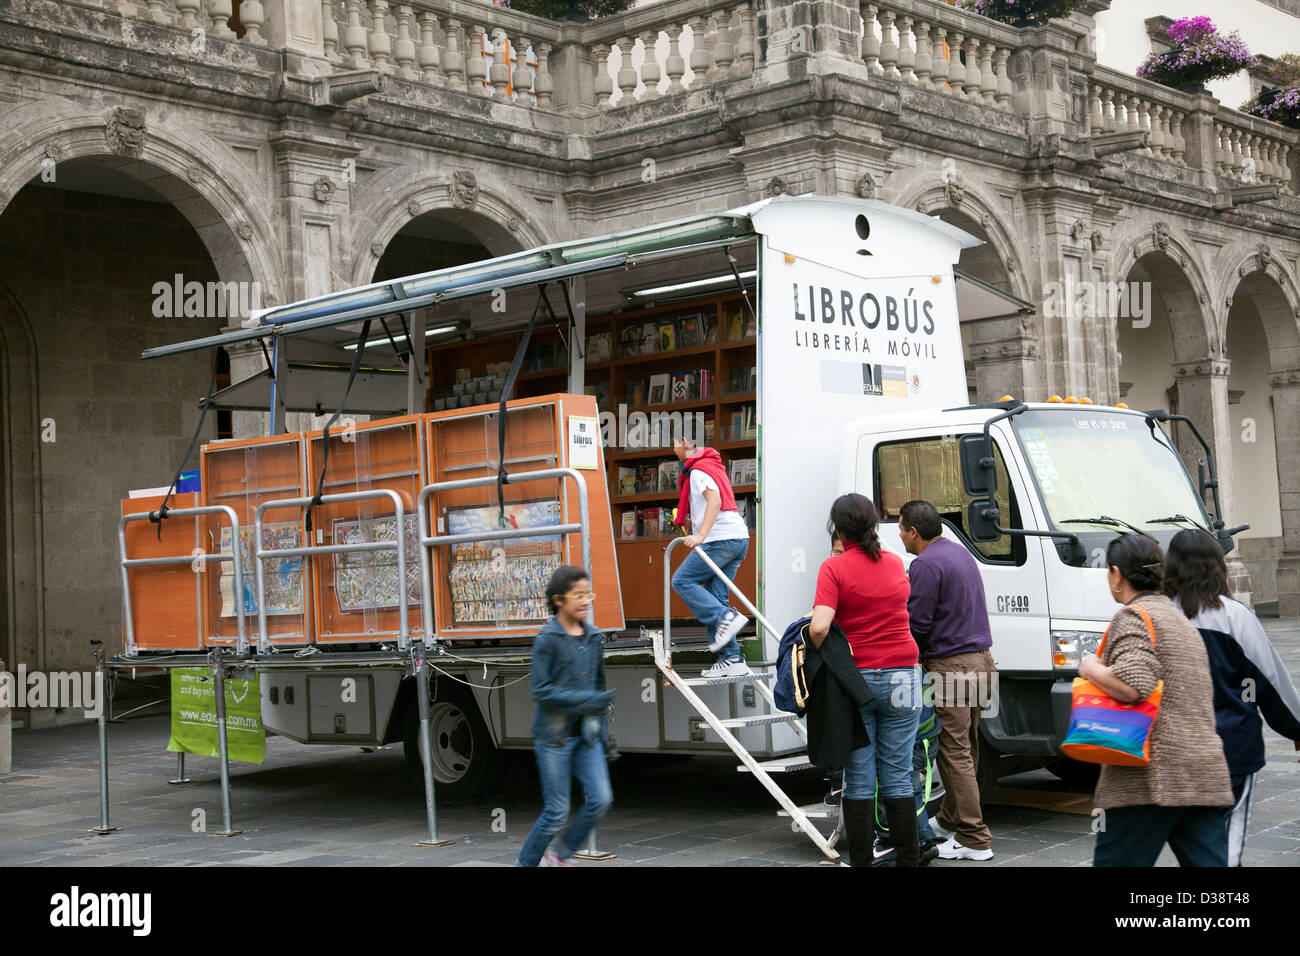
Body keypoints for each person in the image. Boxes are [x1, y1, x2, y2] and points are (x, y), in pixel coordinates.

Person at [1079, 533, 1234, 867]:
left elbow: (1134, 683)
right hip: (1203, 775)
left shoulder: (1134, 616)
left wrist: (1090, 667)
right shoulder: (1181, 620)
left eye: (1108, 572)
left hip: (1149, 779)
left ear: (1117, 574)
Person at [1163, 529, 1300, 867]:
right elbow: (1270, 682)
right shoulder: (1235, 617)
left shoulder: (1159, 616)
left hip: (1174, 754)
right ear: (1216, 567)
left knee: (1197, 847)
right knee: (1226, 848)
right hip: (1231, 751)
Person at [808, 493, 922, 866]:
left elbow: (821, 627)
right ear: (874, 524)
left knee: (859, 779)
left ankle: (861, 862)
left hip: (856, 684)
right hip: (904, 676)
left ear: (838, 528)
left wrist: (813, 640)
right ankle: (908, 859)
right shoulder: (895, 563)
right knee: (899, 775)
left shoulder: (834, 568)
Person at [898, 499, 997, 862]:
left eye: (902, 531)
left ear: (913, 530)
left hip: (952, 666)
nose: (901, 539)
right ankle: (950, 818)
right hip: (983, 661)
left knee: (954, 754)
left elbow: (918, 624)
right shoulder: (960, 554)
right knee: (967, 748)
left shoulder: (924, 564)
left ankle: (974, 838)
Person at [515, 566, 615, 867]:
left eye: (589, 594)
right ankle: (526, 863)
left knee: (601, 799)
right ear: (559, 600)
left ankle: (559, 856)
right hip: (554, 738)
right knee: (556, 812)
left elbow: (598, 688)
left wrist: (605, 734)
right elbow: (541, 690)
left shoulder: (594, 637)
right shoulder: (547, 639)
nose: (586, 601)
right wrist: (586, 699)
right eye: (578, 595)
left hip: (587, 736)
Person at [670, 431, 751, 678]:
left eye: (674, 444)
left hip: (720, 539)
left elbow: (714, 501)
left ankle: (724, 617)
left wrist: (701, 535)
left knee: (682, 581)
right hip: (738, 537)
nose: (673, 449)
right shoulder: (713, 464)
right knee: (717, 596)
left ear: (684, 443)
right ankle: (732, 658)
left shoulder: (697, 470)